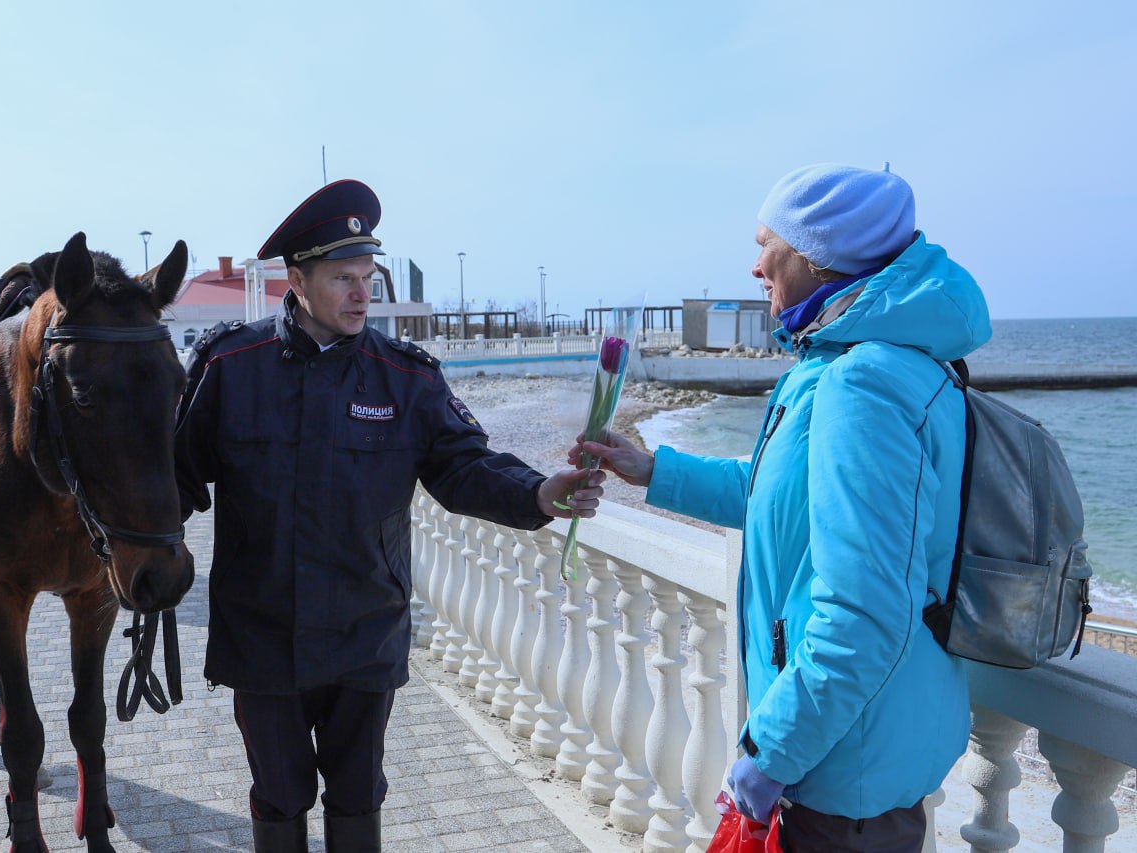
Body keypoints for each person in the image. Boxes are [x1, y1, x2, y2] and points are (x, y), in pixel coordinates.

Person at [174, 179, 605, 853]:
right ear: (297, 279)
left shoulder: (407, 379)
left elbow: (465, 467)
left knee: (357, 796)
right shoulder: (231, 368)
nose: (360, 294)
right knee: (278, 796)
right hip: (261, 634)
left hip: (364, 634)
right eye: (343, 277)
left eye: (367, 278)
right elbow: (170, 480)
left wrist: (539, 492)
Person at [573, 163, 990, 852]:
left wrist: (768, 756)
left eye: (769, 243)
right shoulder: (864, 364)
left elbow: (864, 616)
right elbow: (780, 495)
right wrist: (650, 469)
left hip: (836, 776)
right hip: (858, 757)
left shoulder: (863, 383)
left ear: (817, 256)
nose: (756, 262)